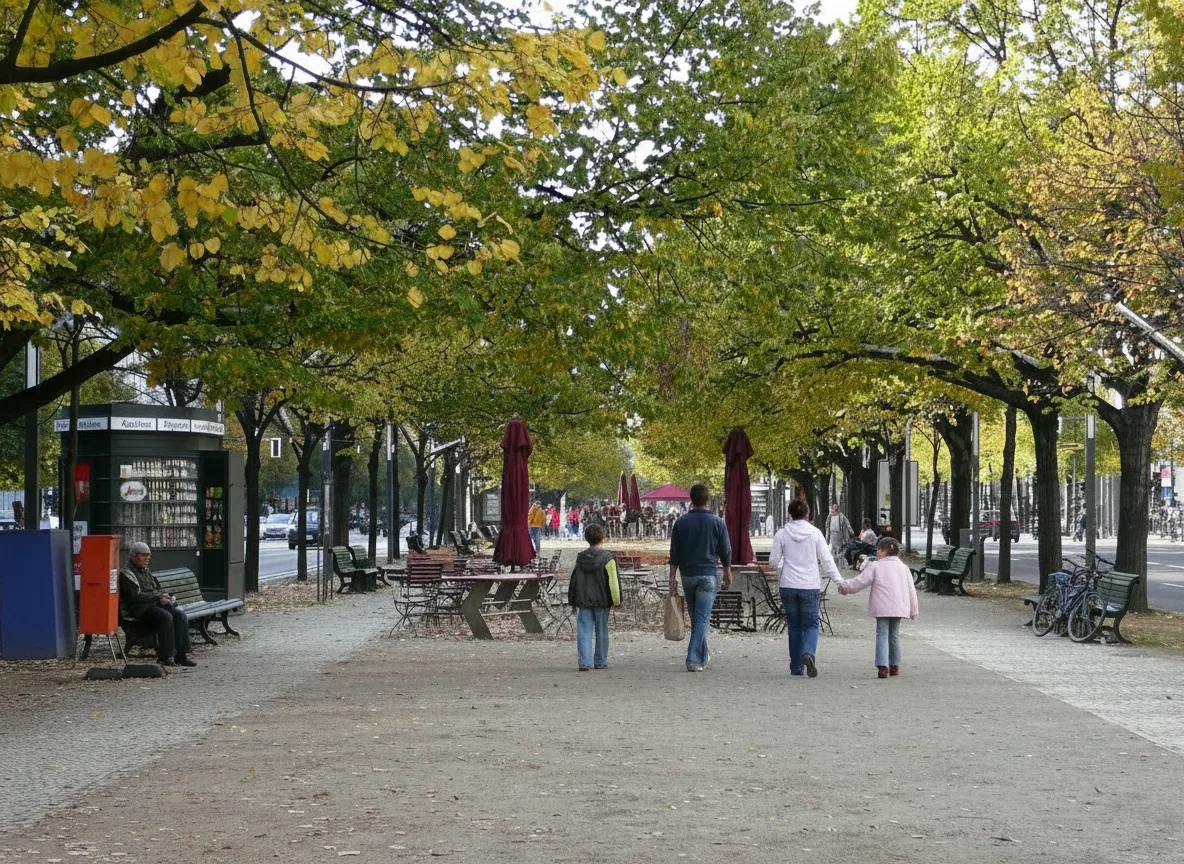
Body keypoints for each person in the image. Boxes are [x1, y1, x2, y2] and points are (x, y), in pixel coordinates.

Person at [769, 498, 841, 678]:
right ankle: (808, 652)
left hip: (788, 585)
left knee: (794, 626)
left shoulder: (782, 534)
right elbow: (826, 560)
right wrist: (839, 581)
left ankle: (796, 666)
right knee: (811, 624)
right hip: (809, 585)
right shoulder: (815, 534)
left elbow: (773, 561)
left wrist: (781, 567)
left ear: (790, 514)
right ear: (807, 514)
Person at [668, 483, 731, 672]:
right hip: (708, 574)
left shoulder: (681, 523)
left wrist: (672, 576)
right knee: (702, 618)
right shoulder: (717, 522)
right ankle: (694, 658)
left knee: (697, 617)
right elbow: (725, 550)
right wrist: (727, 571)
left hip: (688, 574)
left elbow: (674, 552)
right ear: (708, 500)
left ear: (691, 500)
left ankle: (702, 655)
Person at [837, 536, 919, 678]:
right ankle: (895, 665)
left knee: (882, 634)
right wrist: (914, 610)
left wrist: (845, 586)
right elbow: (911, 590)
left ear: (883, 551)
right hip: (899, 606)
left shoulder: (875, 566)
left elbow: (860, 582)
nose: (876, 553)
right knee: (894, 635)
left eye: (878, 550)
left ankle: (882, 666)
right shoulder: (904, 568)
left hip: (882, 607)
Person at [118, 542, 195, 668]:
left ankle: (181, 656)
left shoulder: (145, 571)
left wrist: (163, 597)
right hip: (140, 610)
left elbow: (155, 589)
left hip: (152, 605)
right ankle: (165, 657)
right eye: (143, 555)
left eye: (148, 555)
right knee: (166, 617)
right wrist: (157, 597)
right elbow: (135, 596)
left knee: (180, 615)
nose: (147, 558)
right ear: (133, 556)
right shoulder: (127, 573)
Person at [568, 523, 619, 671]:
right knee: (602, 631)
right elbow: (613, 582)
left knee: (584, 631)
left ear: (586, 538)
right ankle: (600, 661)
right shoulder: (608, 558)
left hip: (584, 600)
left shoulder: (580, 558)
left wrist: (572, 600)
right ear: (602, 538)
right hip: (602, 601)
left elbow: (574, 579)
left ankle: (584, 661)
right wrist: (617, 600)